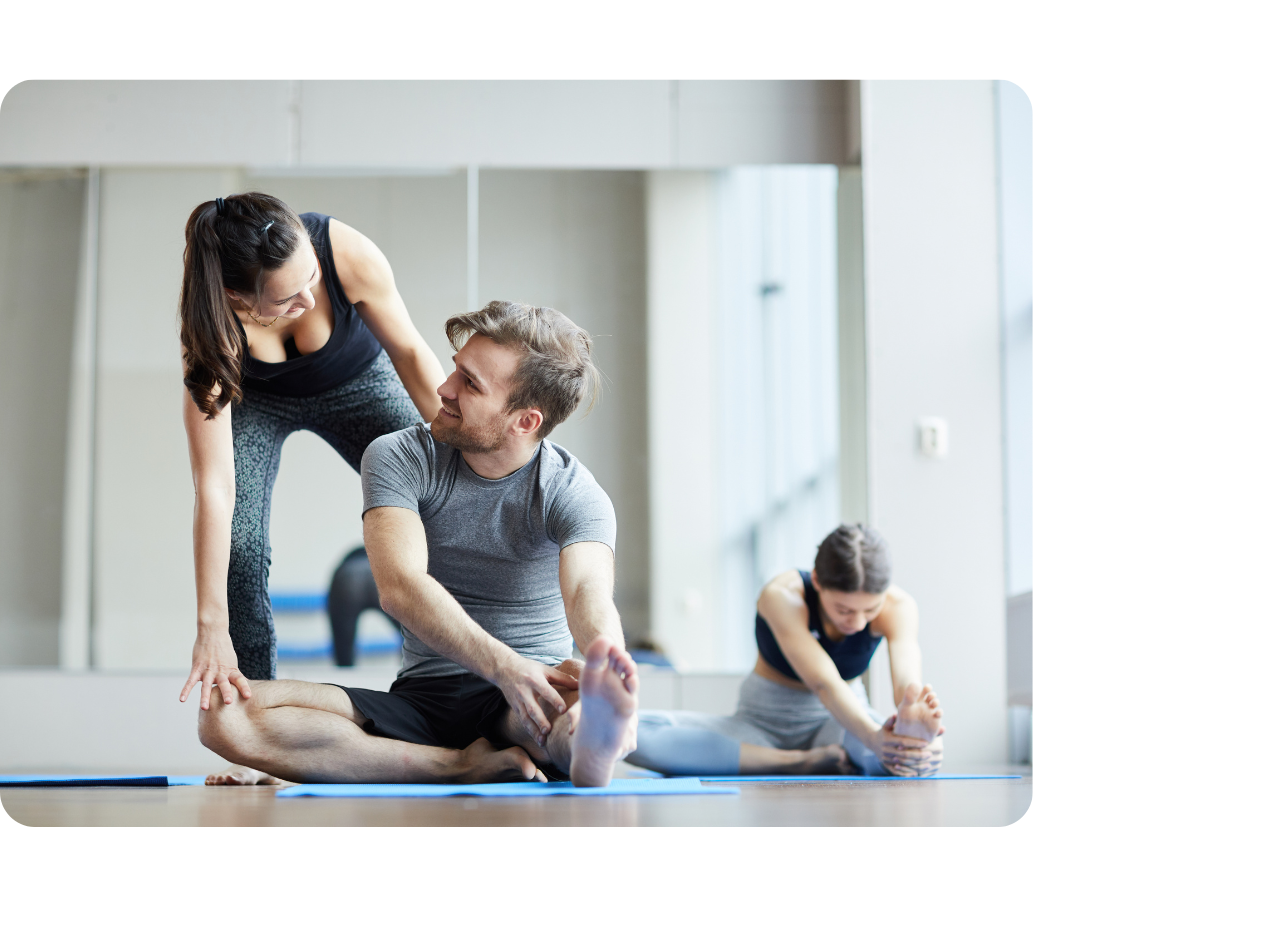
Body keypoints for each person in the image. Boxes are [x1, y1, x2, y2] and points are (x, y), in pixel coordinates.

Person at [196, 302, 639, 786]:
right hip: (423, 697)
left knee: (565, 716)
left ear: (525, 422)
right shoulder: (398, 456)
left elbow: (586, 593)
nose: (443, 389)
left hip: (525, 694)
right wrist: (503, 667)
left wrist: (606, 666)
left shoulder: (573, 491)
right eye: (456, 370)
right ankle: (460, 765)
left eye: (470, 384)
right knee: (222, 715)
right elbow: (400, 587)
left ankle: (584, 741)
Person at [177, 193, 448, 715]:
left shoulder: (347, 253)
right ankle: (257, 731)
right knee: (241, 547)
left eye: (311, 278)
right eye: (287, 298)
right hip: (258, 404)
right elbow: (214, 487)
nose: (309, 295)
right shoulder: (211, 334)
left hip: (358, 381)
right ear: (237, 298)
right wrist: (210, 625)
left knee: (444, 496)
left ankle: (466, 685)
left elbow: (412, 353)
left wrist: (465, 454)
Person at [627, 524, 946, 777]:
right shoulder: (781, 595)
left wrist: (909, 736)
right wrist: (875, 739)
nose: (859, 623)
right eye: (844, 610)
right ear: (818, 581)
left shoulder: (899, 606)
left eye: (870, 610)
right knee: (630, 735)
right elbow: (824, 683)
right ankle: (794, 761)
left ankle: (899, 750)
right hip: (761, 727)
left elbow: (907, 682)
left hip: (840, 726)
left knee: (892, 755)